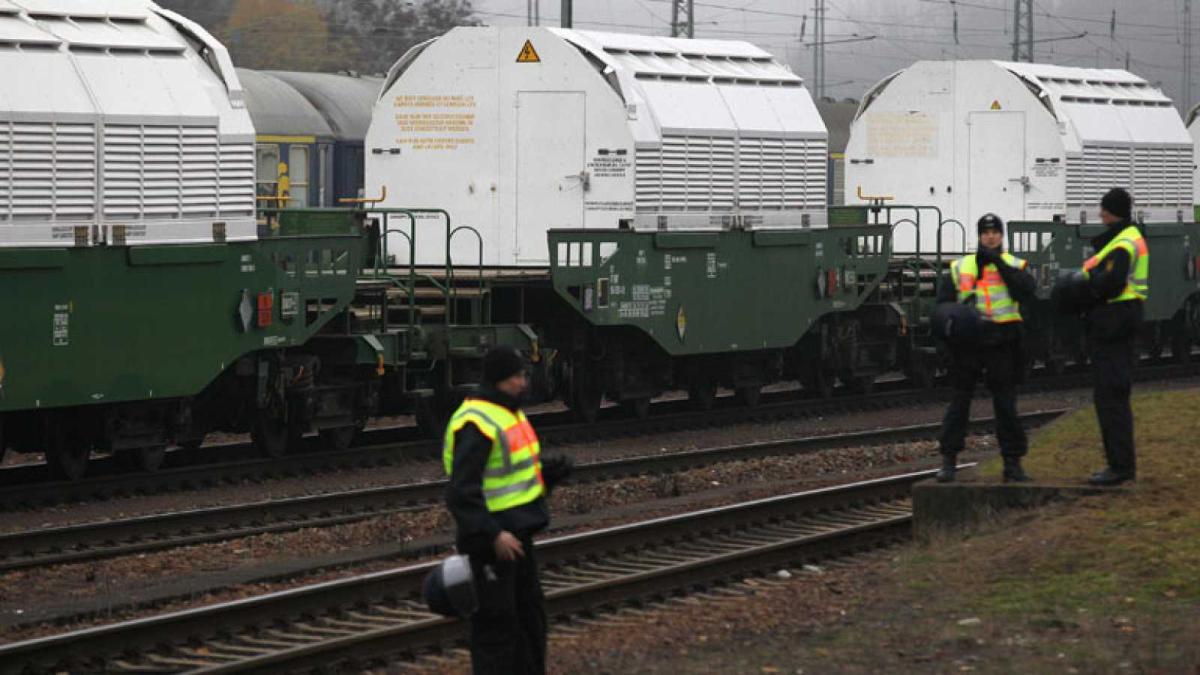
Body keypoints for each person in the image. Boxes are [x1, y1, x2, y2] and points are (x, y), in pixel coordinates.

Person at [443, 346, 572, 675]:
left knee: (529, 623)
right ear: (500, 379)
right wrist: (494, 535)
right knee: (497, 632)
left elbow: (512, 482)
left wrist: (547, 477)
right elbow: (462, 492)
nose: (524, 382)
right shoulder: (477, 422)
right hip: (492, 546)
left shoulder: (507, 412)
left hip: (517, 540)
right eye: (517, 375)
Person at [936, 213, 1038, 483]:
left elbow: (1027, 291)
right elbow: (943, 304)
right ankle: (948, 461)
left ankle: (1012, 463)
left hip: (1002, 342)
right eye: (985, 232)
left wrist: (999, 264)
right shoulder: (962, 266)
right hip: (969, 344)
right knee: (960, 402)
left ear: (1001, 236)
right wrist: (947, 337)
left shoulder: (1014, 264)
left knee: (1005, 405)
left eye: (995, 232)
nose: (990, 236)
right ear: (979, 236)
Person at [1081, 188, 1147, 486]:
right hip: (1121, 321)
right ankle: (1120, 464)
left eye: (1104, 209)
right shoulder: (1128, 237)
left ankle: (1119, 467)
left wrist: (1088, 287)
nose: (1100, 214)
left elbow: (1111, 283)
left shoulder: (1122, 244)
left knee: (1110, 397)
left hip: (1115, 322)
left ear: (1113, 212)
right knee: (1113, 395)